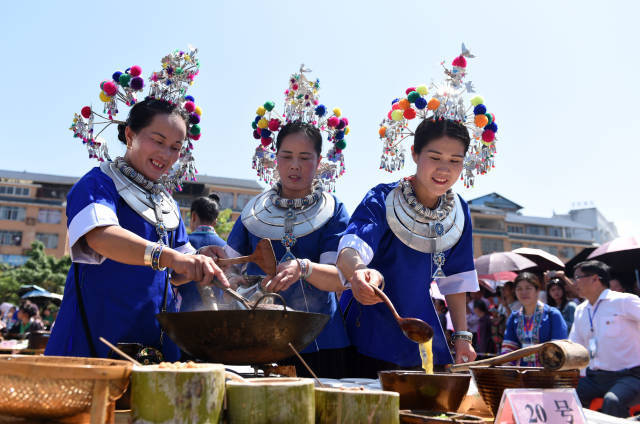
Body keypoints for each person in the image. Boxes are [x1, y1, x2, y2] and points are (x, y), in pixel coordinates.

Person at [46, 48, 228, 361]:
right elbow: (101, 237)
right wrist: (168, 256)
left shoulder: (165, 201)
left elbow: (178, 269)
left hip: (155, 344)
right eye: (157, 141)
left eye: (175, 147)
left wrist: (199, 261)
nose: (167, 155)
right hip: (97, 340)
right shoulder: (98, 183)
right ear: (130, 135)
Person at [336, 46, 501, 375]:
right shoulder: (382, 198)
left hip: (424, 329)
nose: (444, 169)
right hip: (370, 323)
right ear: (414, 153)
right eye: (435, 157)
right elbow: (352, 246)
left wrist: (463, 337)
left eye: (455, 161)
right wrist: (357, 273)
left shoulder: (459, 212)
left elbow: (456, 280)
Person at [224, 67, 351, 378]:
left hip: (322, 341)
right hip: (261, 338)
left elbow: (338, 278)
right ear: (275, 158)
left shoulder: (334, 210)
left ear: (320, 162)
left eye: (305, 158)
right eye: (287, 156)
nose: (295, 166)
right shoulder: (253, 212)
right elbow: (229, 269)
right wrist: (227, 273)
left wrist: (303, 268)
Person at [569, 260, 640, 418]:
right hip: (595, 377)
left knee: (612, 401)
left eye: (577, 278)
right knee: (565, 396)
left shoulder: (624, 301)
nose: (574, 283)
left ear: (595, 279)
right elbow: (574, 347)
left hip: (630, 376)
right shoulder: (580, 310)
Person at [501, 272, 567, 366]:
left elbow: (559, 347)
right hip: (523, 374)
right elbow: (509, 347)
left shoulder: (552, 315)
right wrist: (507, 369)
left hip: (548, 374)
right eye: (519, 289)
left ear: (537, 290)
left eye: (528, 288)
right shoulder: (514, 317)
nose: (524, 292)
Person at [177, 194, 227, 312]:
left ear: (193, 216)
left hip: (184, 313)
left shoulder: (182, 245)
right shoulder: (225, 248)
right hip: (216, 313)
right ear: (215, 221)